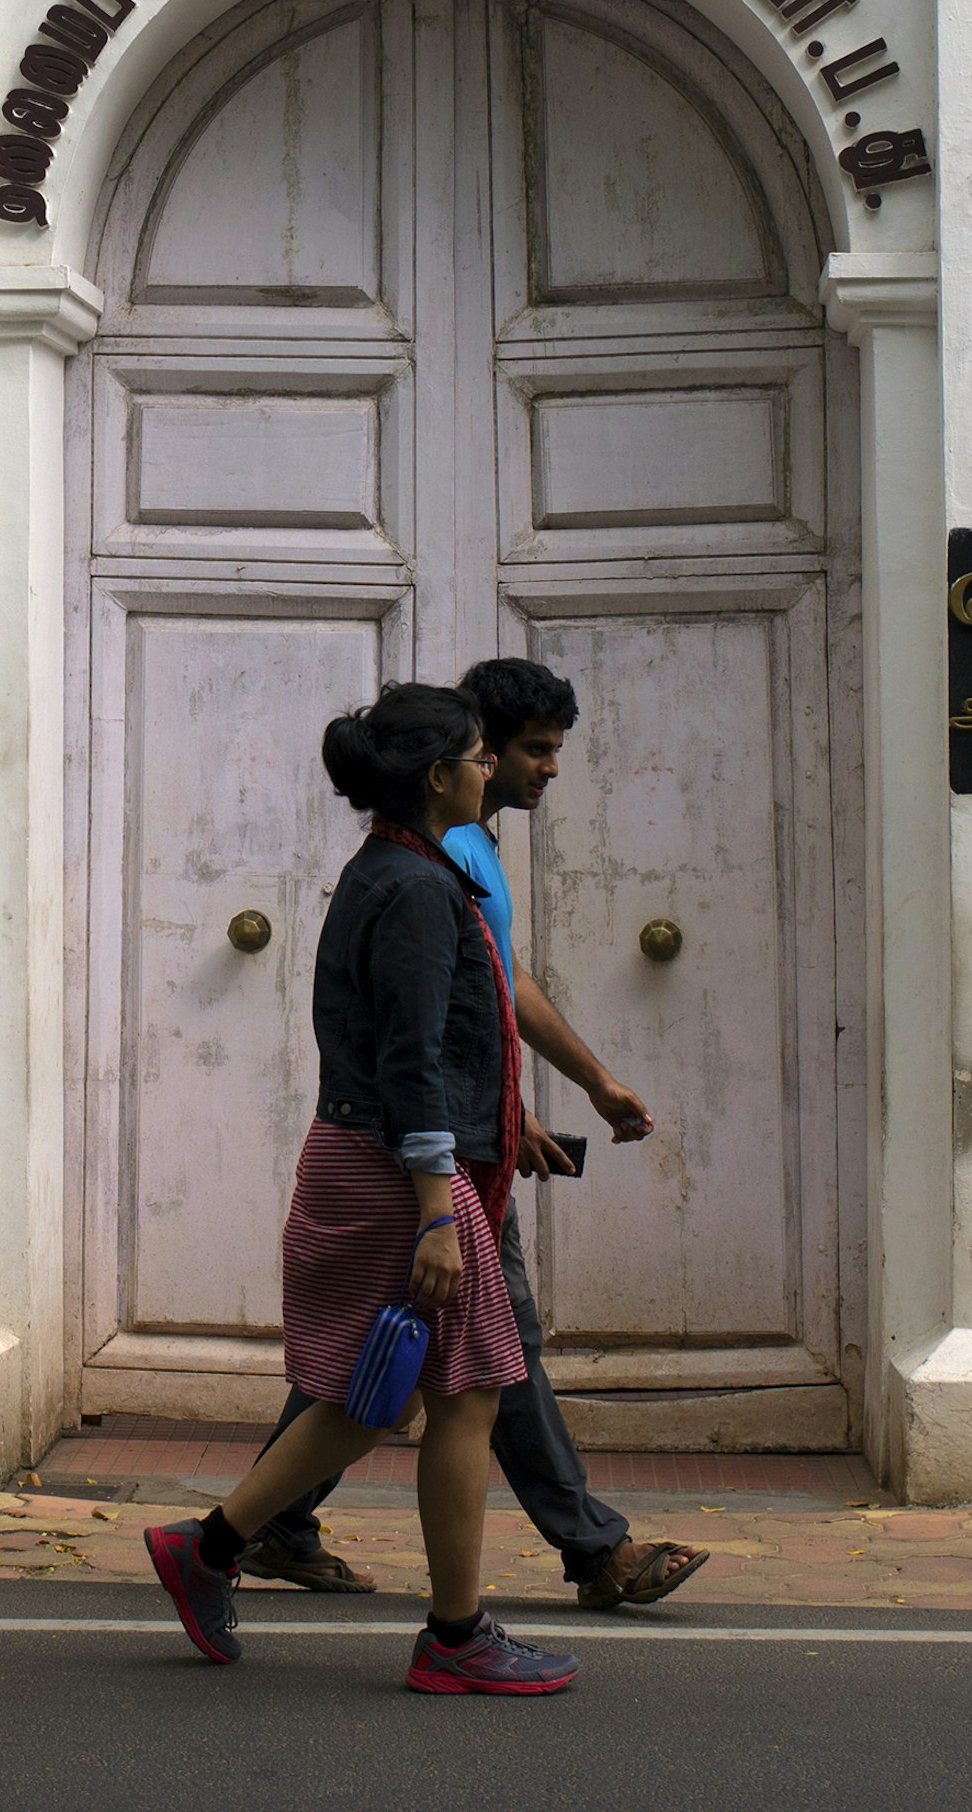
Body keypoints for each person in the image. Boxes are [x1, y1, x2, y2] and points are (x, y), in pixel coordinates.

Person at [238, 657, 709, 1613]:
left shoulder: (460, 851)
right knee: (489, 1351)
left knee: (401, 1353)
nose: (534, 767)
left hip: (456, 1139)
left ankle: (251, 1526)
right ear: (459, 762)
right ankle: (580, 1555)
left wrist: (570, 1089)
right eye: (517, 750)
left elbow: (495, 988)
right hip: (430, 1155)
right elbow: (413, 1036)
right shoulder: (421, 868)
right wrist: (448, 1173)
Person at [142, 684, 579, 1697]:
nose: (491, 770)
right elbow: (411, 1058)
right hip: (398, 1173)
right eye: (478, 756)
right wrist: (438, 1208)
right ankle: (457, 1634)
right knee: (466, 1393)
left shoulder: (388, 871)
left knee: (365, 1394)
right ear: (438, 777)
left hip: (366, 1157)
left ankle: (208, 1548)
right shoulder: (419, 889)